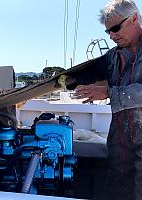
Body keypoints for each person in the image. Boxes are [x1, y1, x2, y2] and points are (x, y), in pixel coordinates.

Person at [65, 0, 142, 199]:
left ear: (134, 18)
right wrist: (69, 81)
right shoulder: (112, 56)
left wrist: (108, 93)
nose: (112, 35)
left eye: (115, 28)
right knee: (117, 188)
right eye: (108, 32)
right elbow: (87, 72)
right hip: (120, 143)